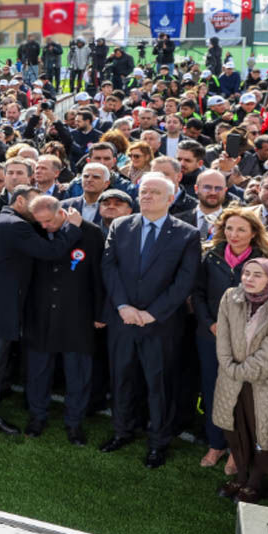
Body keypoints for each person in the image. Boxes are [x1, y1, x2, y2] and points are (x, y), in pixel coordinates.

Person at [0, 189, 83, 451]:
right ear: (21, 201)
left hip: (3, 308)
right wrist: (72, 228)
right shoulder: (14, 225)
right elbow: (51, 251)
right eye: (35, 204)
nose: (38, 212)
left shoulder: (8, 222)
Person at [99, 173, 201, 469]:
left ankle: (158, 442)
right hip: (123, 320)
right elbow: (109, 267)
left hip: (161, 324)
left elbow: (184, 282)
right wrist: (122, 306)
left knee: (159, 384)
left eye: (154, 192)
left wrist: (152, 313)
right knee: (122, 378)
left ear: (170, 199)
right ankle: (122, 430)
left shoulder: (186, 234)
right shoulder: (120, 226)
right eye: (143, 192)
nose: (146, 197)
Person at [191, 207, 268, 471]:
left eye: (241, 229)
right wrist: (210, 323)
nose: (234, 234)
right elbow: (198, 294)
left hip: (247, 340)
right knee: (211, 389)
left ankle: (236, 449)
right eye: (229, 228)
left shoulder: (264, 261)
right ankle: (215, 444)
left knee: (240, 395)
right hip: (210, 335)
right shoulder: (211, 255)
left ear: (254, 233)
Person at [21, 194, 105, 446]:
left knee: (78, 372)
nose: (44, 226)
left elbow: (99, 276)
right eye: (40, 222)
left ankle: (74, 423)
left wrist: (100, 313)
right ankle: (37, 417)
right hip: (40, 314)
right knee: (37, 370)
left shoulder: (91, 233)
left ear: (61, 213)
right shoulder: (33, 230)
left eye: (48, 221)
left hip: (77, 315)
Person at [212, 258, 268, 504]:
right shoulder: (230, 297)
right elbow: (222, 337)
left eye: (257, 275)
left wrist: (239, 370)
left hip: (262, 382)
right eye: (246, 273)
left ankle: (255, 481)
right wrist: (228, 366)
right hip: (230, 376)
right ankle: (241, 475)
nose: (249, 279)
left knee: (260, 432)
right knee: (233, 429)